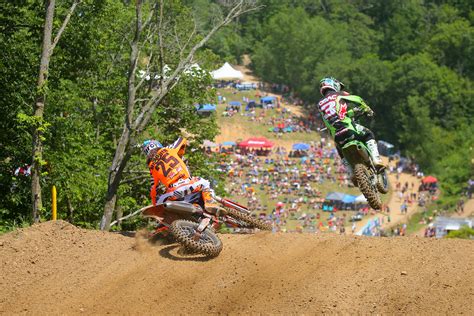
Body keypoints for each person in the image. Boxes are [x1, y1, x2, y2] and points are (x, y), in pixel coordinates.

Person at [317, 77, 385, 181]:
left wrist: (352, 112)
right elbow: (357, 99)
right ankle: (376, 159)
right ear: (333, 84)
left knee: (340, 150)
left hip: (337, 136)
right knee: (368, 134)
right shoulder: (340, 94)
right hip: (348, 128)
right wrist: (367, 109)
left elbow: (332, 117)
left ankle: (350, 171)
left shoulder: (320, 104)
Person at [142, 137, 218, 212]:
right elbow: (182, 140)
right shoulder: (169, 149)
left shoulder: (151, 167)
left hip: (173, 193)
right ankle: (209, 203)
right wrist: (179, 154)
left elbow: (153, 189)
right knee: (205, 183)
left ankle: (167, 218)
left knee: (160, 202)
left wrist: (155, 204)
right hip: (189, 184)